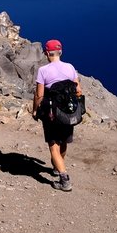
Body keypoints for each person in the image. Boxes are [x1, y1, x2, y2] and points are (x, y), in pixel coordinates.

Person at [32, 39, 82, 192]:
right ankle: (56, 167)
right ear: (61, 52)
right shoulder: (70, 67)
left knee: (54, 146)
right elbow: (78, 90)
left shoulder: (43, 70)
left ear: (47, 53)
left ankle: (64, 178)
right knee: (64, 141)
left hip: (52, 113)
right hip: (68, 112)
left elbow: (39, 95)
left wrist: (35, 111)